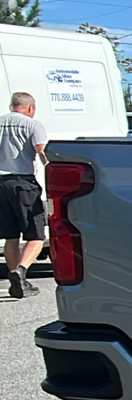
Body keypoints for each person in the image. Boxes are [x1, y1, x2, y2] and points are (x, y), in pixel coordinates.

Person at [1, 91, 49, 299]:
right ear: (30, 108)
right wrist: (53, 166)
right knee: (36, 235)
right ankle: (20, 271)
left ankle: (17, 282)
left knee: (10, 236)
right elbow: (41, 149)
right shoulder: (33, 125)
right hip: (24, 184)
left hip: (1, 184)